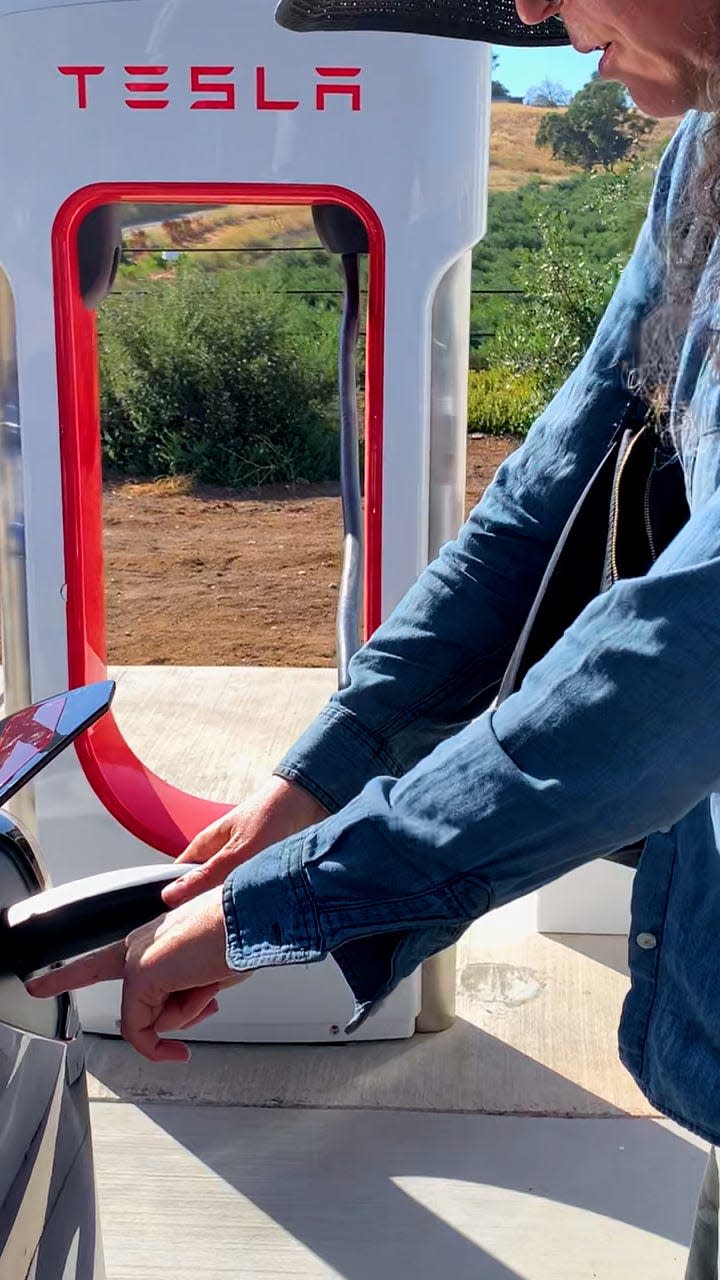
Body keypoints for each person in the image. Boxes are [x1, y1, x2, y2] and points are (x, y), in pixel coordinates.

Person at [29, 1, 720, 1272]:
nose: (529, 13)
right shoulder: (704, 163)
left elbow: (693, 652)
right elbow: (547, 495)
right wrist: (318, 776)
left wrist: (291, 902)